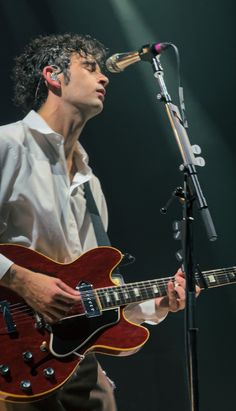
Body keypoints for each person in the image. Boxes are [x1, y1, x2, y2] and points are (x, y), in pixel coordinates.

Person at [0, 33, 188, 411]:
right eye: (89, 67)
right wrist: (20, 278)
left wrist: (161, 302)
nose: (103, 77)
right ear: (54, 76)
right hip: (11, 357)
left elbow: (93, 292)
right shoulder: (8, 145)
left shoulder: (90, 184)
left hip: (76, 366)